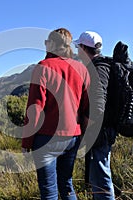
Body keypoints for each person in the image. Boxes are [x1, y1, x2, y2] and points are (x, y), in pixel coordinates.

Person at [22, 28, 90, 200]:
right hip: (73, 137)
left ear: (52, 44)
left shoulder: (43, 67)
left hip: (47, 138)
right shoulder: (81, 69)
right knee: (67, 185)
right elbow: (87, 107)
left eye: (46, 42)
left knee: (49, 190)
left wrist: (27, 141)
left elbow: (35, 108)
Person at [73, 31, 117, 200]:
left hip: (100, 132)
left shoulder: (98, 69)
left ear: (84, 48)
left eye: (78, 47)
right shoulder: (102, 66)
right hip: (103, 130)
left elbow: (98, 105)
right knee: (98, 175)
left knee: (101, 177)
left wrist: (87, 127)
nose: (77, 50)